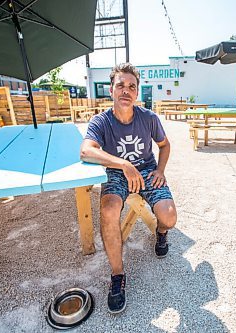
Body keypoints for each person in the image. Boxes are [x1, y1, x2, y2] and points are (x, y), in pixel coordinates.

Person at [80, 63, 177, 314]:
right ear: (111, 89)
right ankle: (117, 275)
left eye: (131, 87)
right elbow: (86, 150)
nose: (126, 90)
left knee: (169, 217)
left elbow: (165, 146)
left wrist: (160, 170)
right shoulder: (101, 121)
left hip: (147, 169)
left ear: (137, 92)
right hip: (116, 172)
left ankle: (161, 232)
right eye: (120, 85)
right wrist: (123, 164)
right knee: (109, 209)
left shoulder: (149, 118)